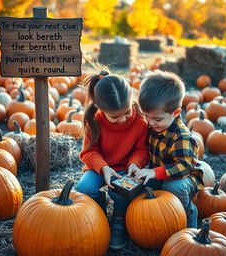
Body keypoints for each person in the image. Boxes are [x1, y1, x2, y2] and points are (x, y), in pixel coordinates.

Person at [74, 65, 149, 250]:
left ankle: (119, 219)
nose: (122, 119)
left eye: (126, 113)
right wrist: (104, 168)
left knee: (121, 192)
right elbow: (88, 153)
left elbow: (141, 150)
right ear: (100, 109)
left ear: (132, 101)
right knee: (83, 189)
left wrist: (134, 164)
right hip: (101, 168)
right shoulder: (95, 121)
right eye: (115, 117)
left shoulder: (140, 121)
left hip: (125, 168)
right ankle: (99, 203)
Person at [132, 70, 204, 228]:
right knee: (138, 186)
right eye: (147, 116)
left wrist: (154, 173)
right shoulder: (155, 126)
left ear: (176, 112)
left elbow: (184, 167)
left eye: (157, 119)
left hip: (184, 178)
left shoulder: (182, 137)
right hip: (158, 173)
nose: (150, 123)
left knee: (173, 187)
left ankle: (189, 214)